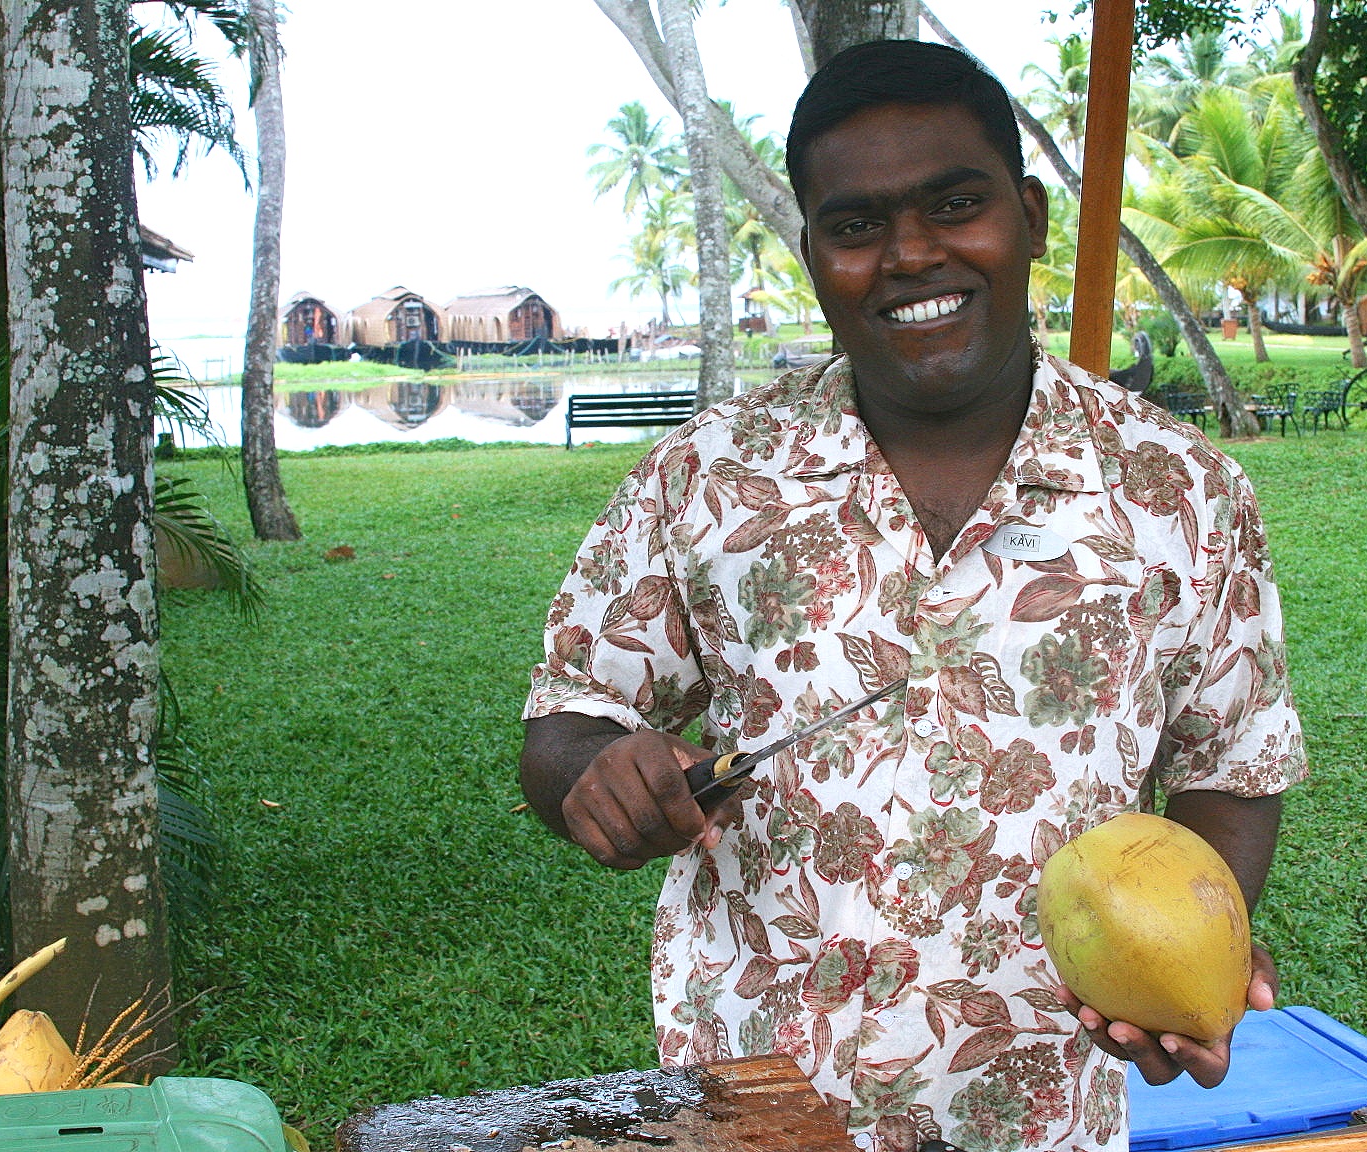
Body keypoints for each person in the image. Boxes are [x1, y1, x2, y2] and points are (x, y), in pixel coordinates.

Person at [520, 39, 1307, 1152]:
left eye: (955, 203)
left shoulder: (1181, 489)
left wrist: (1192, 960)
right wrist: (591, 775)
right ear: (813, 253)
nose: (911, 254)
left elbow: (1234, 770)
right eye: (856, 225)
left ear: (1029, 219)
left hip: (1043, 1106)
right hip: (758, 1094)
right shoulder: (706, 476)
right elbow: (567, 713)